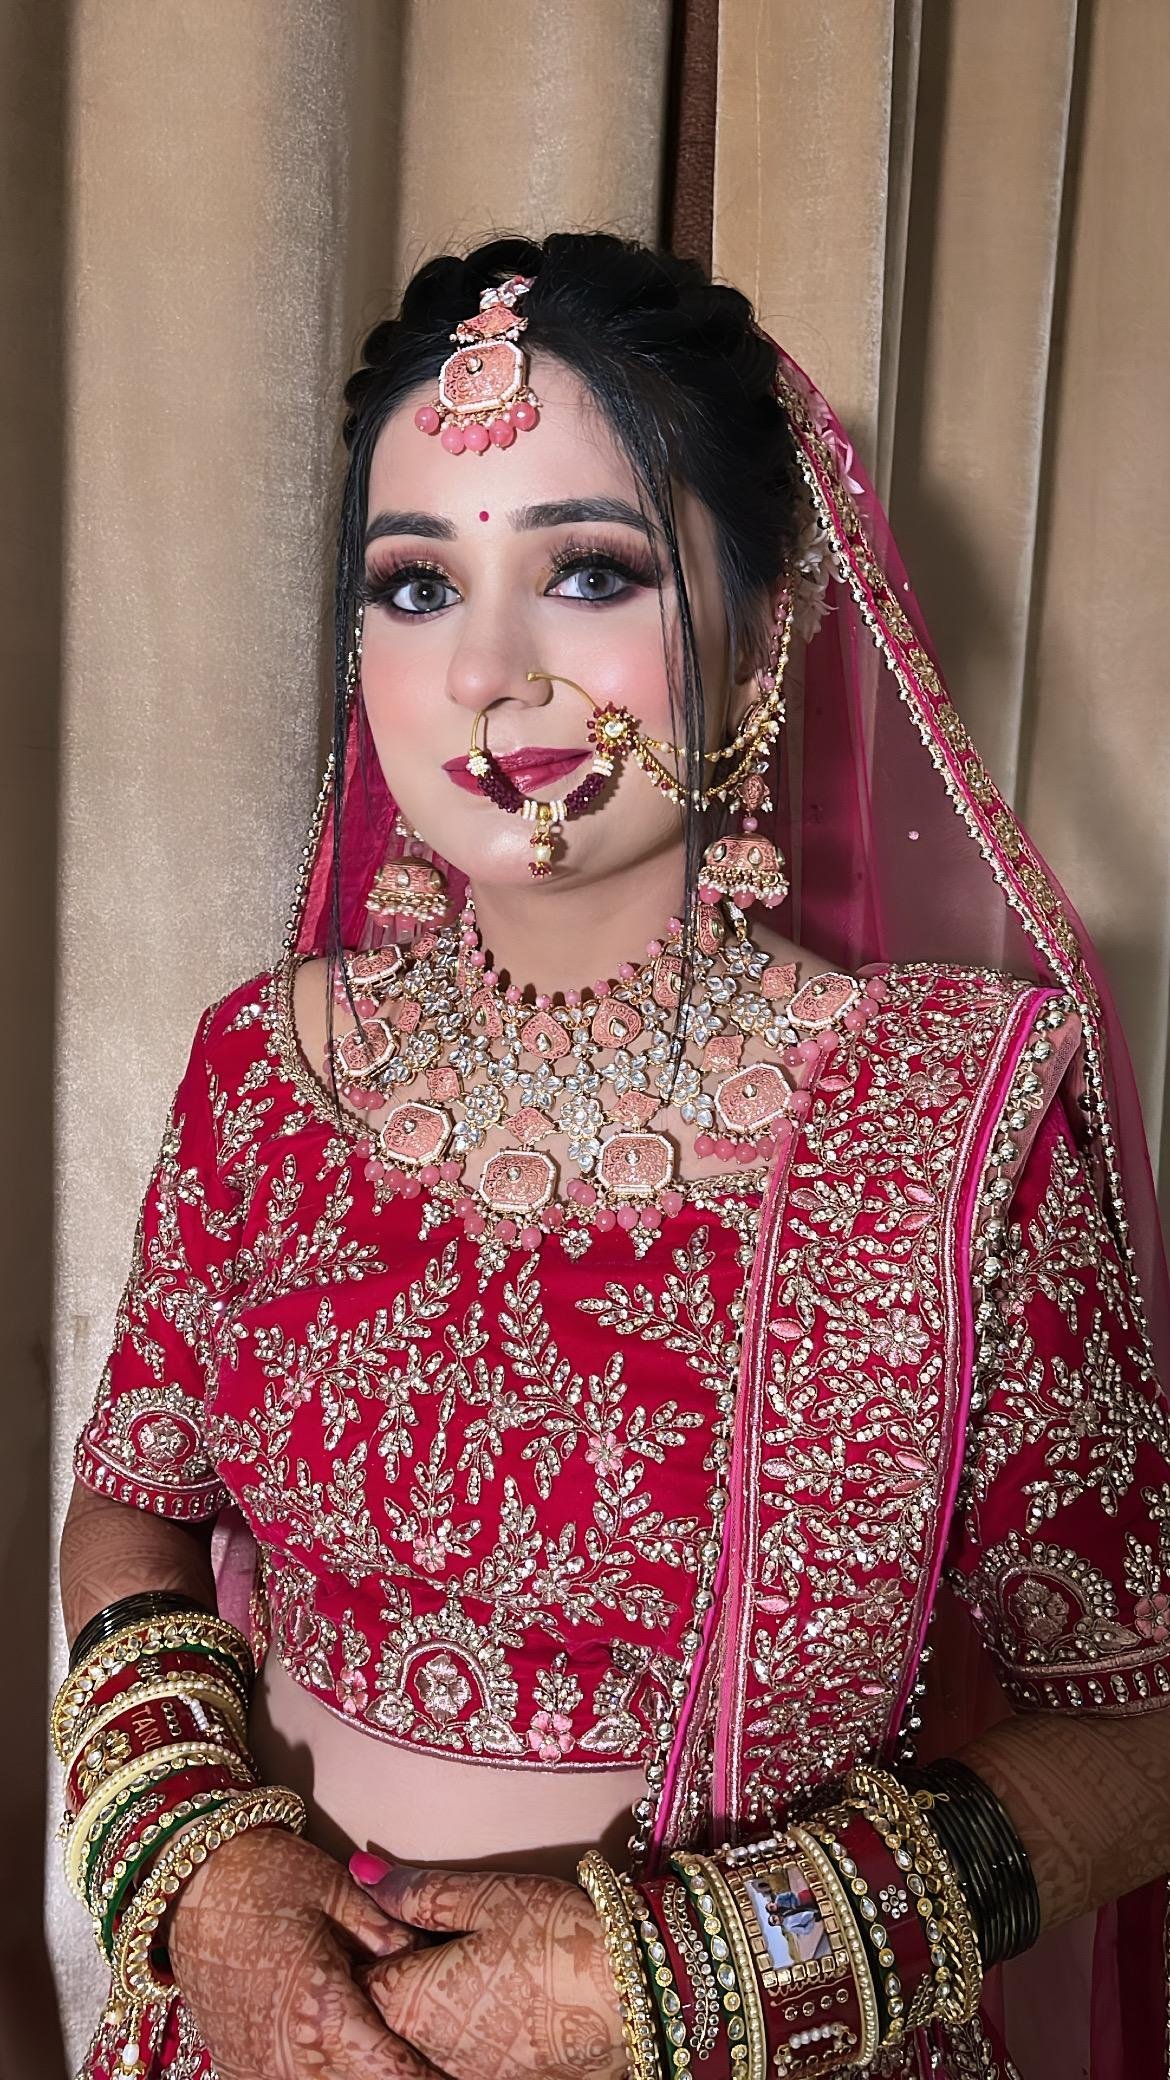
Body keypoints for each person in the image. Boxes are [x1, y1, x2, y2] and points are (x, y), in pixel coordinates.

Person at [55, 233, 1170, 2080]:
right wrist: (208, 1871)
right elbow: (132, 1505)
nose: (486, 674)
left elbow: (1132, 1727)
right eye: (415, 585)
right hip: (261, 2033)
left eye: (587, 570)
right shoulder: (266, 1067)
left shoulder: (949, 1119)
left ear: (768, 617)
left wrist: (675, 1969)